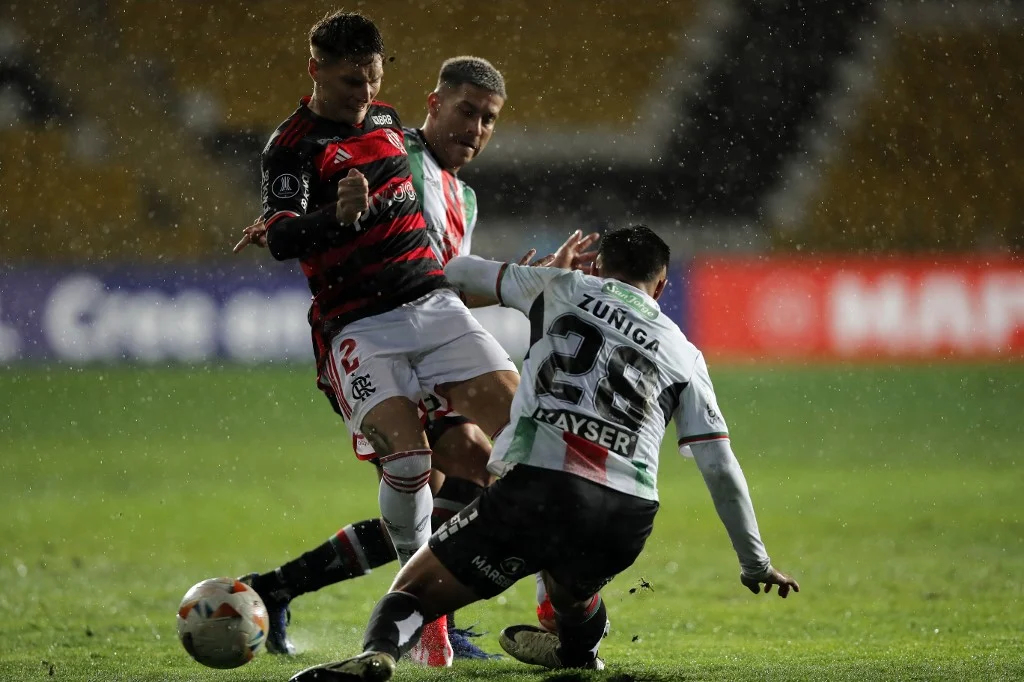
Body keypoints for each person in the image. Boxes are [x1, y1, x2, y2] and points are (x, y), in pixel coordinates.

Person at [287, 225, 800, 682]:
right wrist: (755, 564)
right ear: (661, 285)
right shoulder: (686, 354)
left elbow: (457, 271)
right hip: (627, 515)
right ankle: (578, 652)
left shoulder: (562, 286)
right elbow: (720, 466)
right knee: (572, 594)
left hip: (539, 488)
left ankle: (379, 654)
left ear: (598, 266)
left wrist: (538, 271)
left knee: (411, 593)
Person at [231, 11, 522, 666]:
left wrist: (521, 283)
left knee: (506, 450)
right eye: (349, 81)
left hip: (432, 310)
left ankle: (296, 590)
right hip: (361, 324)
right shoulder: (296, 146)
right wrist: (330, 217)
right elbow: (283, 232)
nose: (363, 94)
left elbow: (445, 267)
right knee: (436, 470)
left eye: (372, 78)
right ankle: (427, 614)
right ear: (316, 70)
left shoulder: (396, 133)